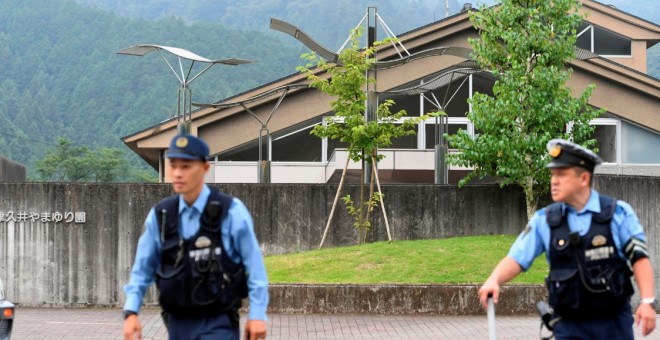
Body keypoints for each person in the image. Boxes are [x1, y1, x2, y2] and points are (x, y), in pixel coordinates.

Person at [478, 139, 656, 339]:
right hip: (569, 326)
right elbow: (517, 258)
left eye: (562, 174)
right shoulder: (544, 220)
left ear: (584, 178)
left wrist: (648, 301)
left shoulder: (618, 214)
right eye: (553, 174)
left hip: (613, 325)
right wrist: (494, 279)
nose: (554, 180)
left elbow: (639, 258)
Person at [123, 134, 269, 340]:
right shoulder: (161, 216)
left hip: (219, 322)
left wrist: (257, 314)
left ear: (204, 168)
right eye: (173, 166)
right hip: (177, 323)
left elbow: (255, 267)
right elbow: (142, 269)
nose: (177, 173)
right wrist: (131, 312)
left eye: (186, 166)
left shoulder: (231, 212)